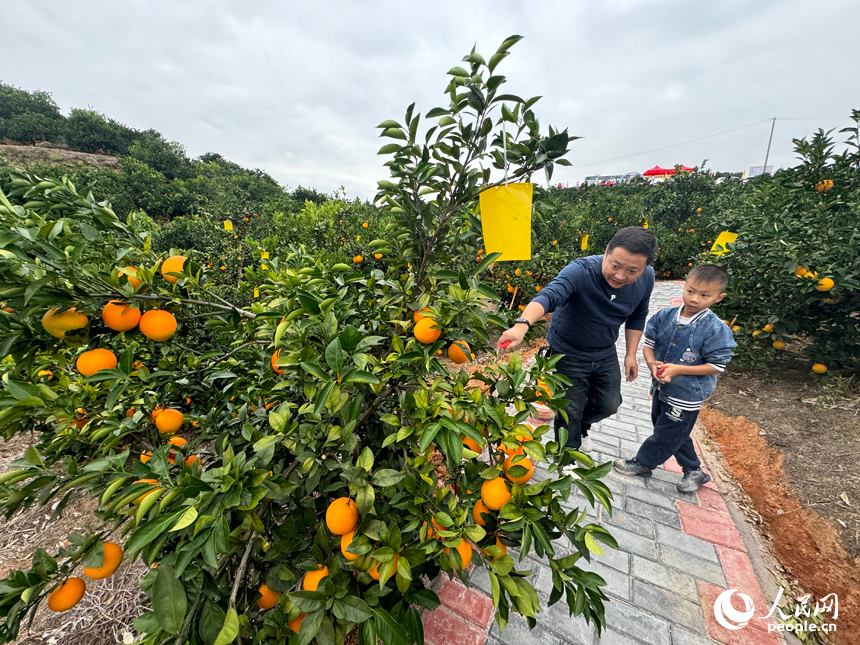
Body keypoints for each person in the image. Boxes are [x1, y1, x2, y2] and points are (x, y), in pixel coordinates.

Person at [497, 227, 657, 452]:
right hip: (567, 351)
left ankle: (582, 427)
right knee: (570, 408)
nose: (621, 276)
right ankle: (567, 457)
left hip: (604, 350)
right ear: (607, 251)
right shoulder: (580, 271)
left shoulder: (646, 278)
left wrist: (631, 354)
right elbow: (549, 295)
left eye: (632, 270)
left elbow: (638, 315)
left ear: (645, 267)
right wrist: (521, 325)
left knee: (609, 405)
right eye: (615, 266)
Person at [613, 264, 736, 492]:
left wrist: (678, 369)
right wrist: (651, 364)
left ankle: (643, 463)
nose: (694, 299)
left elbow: (717, 366)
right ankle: (694, 470)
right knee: (672, 431)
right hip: (662, 389)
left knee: (666, 433)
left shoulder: (714, 329)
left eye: (704, 295)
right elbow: (648, 345)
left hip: (687, 394)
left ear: (719, 298)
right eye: (690, 291)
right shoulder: (665, 316)